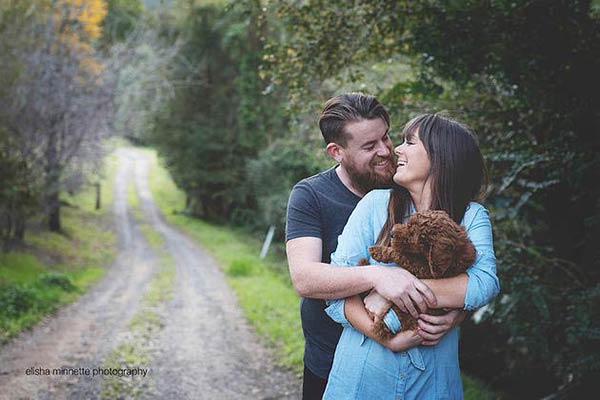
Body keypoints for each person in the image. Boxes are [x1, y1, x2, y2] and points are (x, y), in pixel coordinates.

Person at [286, 94, 469, 399]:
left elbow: (459, 264)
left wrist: (456, 314)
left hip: (411, 366)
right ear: (336, 151)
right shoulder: (311, 196)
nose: (386, 151)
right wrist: (379, 276)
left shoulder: (410, 183)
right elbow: (305, 278)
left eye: (386, 137)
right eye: (370, 147)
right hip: (329, 359)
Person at [322, 113, 501, 399]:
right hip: (363, 372)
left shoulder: (471, 216)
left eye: (409, 142)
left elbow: (483, 284)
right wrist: (384, 335)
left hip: (433, 379)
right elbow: (335, 291)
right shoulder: (375, 205)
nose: (397, 150)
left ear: (440, 156)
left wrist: (392, 291)